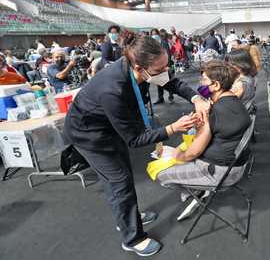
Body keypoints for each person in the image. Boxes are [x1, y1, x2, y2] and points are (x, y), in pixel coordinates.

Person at [63, 36, 209, 257]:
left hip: (111, 129)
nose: (164, 71)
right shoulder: (112, 89)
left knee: (121, 178)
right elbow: (134, 139)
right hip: (90, 136)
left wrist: (196, 98)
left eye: (166, 65)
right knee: (119, 182)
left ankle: (128, 217)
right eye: (160, 68)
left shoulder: (138, 67)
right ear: (139, 68)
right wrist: (172, 128)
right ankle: (132, 238)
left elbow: (171, 82)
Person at [156, 60, 251, 188]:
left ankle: (195, 189)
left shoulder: (215, 111)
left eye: (204, 80)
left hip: (218, 172)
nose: (200, 83)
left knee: (161, 174)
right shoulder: (235, 102)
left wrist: (176, 155)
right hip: (234, 165)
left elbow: (192, 153)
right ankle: (194, 189)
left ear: (216, 85)